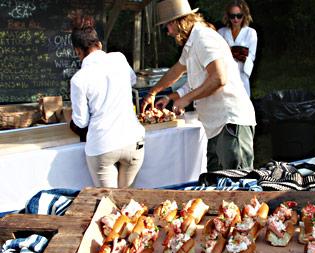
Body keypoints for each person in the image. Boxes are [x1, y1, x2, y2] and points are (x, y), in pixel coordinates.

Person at [143, 0, 256, 172]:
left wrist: (185, 99)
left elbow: (219, 78)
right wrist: (153, 92)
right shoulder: (192, 42)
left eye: (167, 26)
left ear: (177, 22)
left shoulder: (203, 38)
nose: (168, 32)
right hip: (216, 126)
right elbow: (176, 71)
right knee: (216, 188)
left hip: (231, 122)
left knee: (239, 188)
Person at [70, 16, 145, 188]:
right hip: (133, 141)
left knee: (108, 204)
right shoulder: (118, 58)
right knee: (127, 200)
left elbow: (81, 122)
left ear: (77, 52)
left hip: (103, 146)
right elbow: (132, 80)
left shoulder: (78, 79)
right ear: (100, 44)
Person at [218, 0, 257, 97]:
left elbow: (251, 56)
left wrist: (236, 54)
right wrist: (236, 52)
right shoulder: (221, 32)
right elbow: (216, 55)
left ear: (244, 15)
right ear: (228, 16)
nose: (235, 19)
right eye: (232, 16)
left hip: (242, 75)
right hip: (225, 76)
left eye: (239, 16)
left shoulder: (250, 33)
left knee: (243, 106)